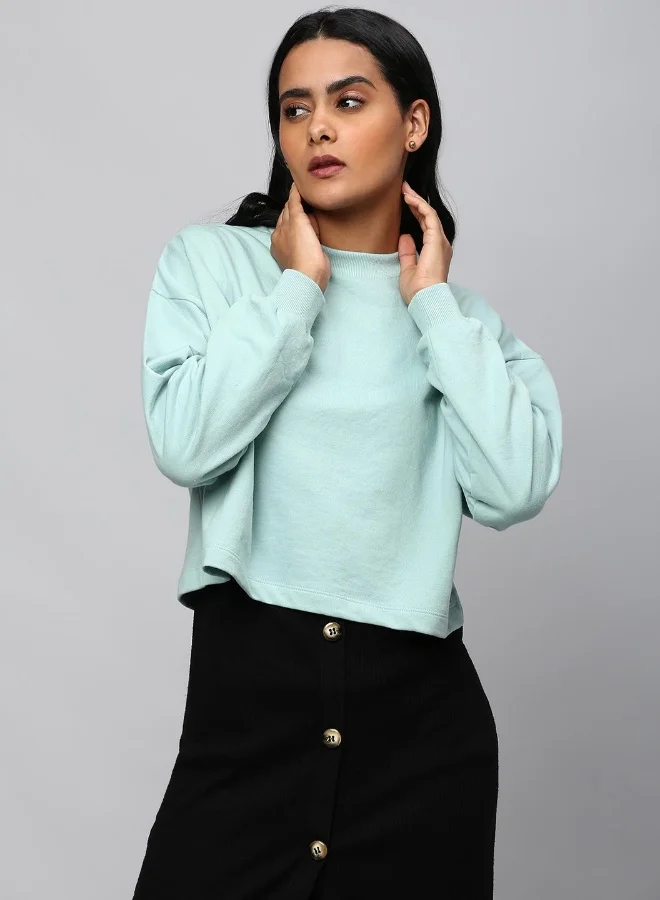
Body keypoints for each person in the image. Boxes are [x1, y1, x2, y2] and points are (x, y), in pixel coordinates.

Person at [131, 7, 563, 899]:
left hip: (420, 734)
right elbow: (188, 445)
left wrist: (432, 306)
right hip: (249, 702)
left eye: (349, 101)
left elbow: (515, 489)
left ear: (414, 123)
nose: (317, 127)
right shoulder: (215, 267)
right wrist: (297, 290)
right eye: (294, 109)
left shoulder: (463, 325)